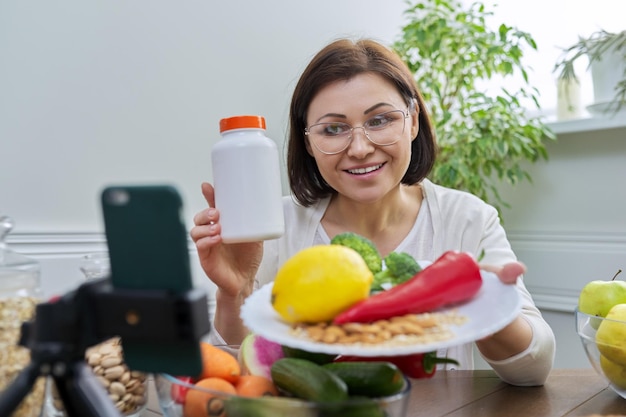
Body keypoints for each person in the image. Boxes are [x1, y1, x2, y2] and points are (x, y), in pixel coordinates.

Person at [190, 37, 556, 386]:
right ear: (309, 144)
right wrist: (234, 292)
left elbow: (534, 370)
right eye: (333, 129)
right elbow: (233, 379)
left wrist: (488, 305)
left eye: (380, 120)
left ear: (412, 121)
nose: (360, 148)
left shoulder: (467, 219)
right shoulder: (274, 227)